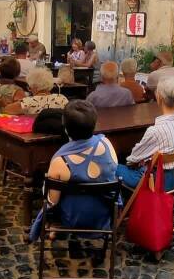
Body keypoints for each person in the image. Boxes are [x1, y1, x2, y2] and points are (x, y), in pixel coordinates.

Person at [32, 100, 119, 239]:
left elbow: (52, 202)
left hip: (72, 219)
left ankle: (56, 228)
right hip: (103, 217)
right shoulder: (106, 143)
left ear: (65, 128)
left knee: (50, 191)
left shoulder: (60, 161)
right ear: (94, 124)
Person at [115, 78, 174, 190]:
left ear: (159, 97)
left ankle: (123, 205)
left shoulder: (155, 131)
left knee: (112, 167)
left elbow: (133, 159)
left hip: (154, 181)